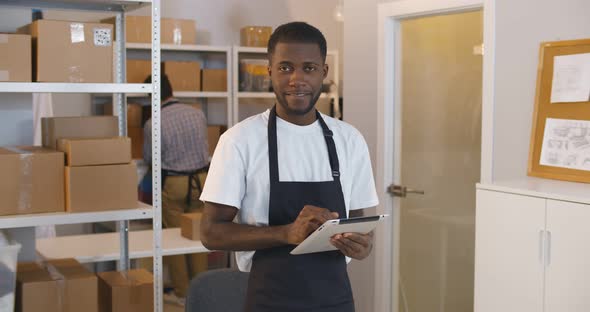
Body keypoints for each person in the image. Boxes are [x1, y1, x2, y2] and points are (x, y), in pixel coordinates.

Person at [199, 22, 379, 311]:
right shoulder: (239, 141)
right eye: (285, 67)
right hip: (270, 300)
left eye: (308, 68)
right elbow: (210, 232)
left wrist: (364, 244)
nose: (297, 79)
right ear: (269, 70)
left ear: (324, 72)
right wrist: (285, 233)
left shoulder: (350, 140)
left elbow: (358, 221)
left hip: (336, 301)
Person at [142, 74, 210, 299]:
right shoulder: (197, 113)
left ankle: (183, 293)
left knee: (173, 237)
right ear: (171, 90)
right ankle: (202, 292)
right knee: (198, 234)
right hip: (202, 181)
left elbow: (150, 158)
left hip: (175, 183)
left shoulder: (154, 122)